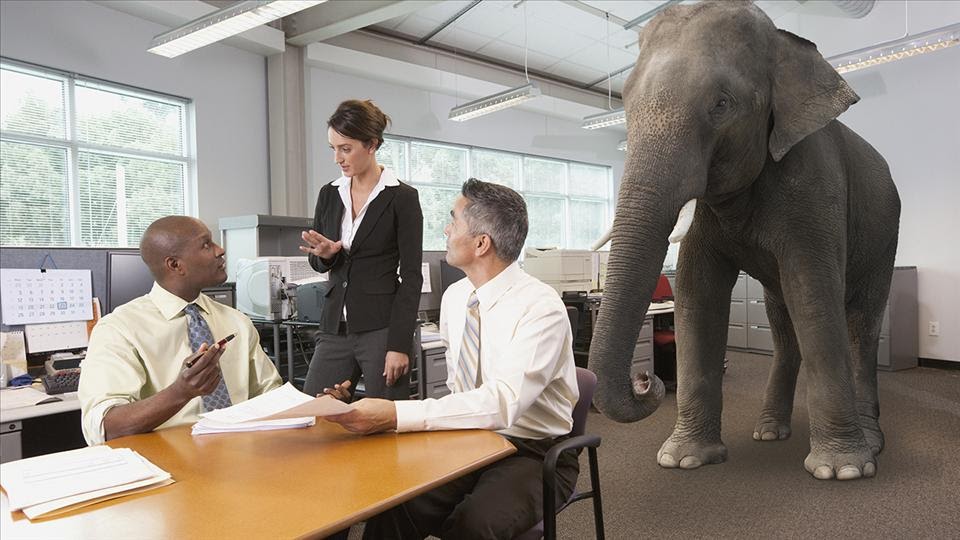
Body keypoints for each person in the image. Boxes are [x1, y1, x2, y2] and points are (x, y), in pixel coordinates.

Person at [325, 178, 580, 540]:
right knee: (396, 503)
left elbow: (501, 404)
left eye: (453, 221)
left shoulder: (542, 308)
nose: (445, 229)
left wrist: (397, 415)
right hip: (472, 438)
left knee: (473, 524)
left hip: (534, 451)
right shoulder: (456, 297)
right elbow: (460, 391)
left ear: (481, 243)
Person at [78, 216, 282, 445]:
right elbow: (105, 427)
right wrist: (180, 392)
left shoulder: (237, 322)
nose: (220, 250)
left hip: (241, 458)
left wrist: (320, 407)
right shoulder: (118, 329)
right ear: (175, 265)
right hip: (169, 464)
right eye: (206, 245)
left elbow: (271, 396)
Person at [300, 99, 423, 401]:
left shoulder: (402, 197)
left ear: (372, 144)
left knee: (385, 417)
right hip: (335, 326)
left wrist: (399, 343)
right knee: (314, 406)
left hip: (382, 329)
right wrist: (326, 255)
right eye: (333, 148)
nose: (337, 158)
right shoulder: (329, 194)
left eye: (345, 148)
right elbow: (317, 264)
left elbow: (411, 276)